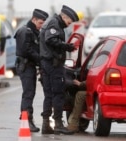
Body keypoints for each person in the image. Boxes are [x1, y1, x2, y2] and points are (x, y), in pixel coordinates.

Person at [39, 5, 79, 135]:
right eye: (69, 21)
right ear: (64, 16)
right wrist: (68, 47)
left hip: (47, 63)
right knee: (58, 94)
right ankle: (58, 124)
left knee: (49, 95)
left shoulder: (53, 23)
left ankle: (46, 125)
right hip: (53, 65)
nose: (69, 23)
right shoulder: (54, 23)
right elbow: (51, 40)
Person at [14, 9, 49, 132]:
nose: (41, 26)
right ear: (33, 19)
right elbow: (26, 50)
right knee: (28, 93)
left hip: (30, 66)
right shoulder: (25, 31)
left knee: (30, 93)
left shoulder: (33, 31)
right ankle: (27, 121)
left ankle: (27, 118)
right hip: (25, 66)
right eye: (40, 23)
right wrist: (41, 59)